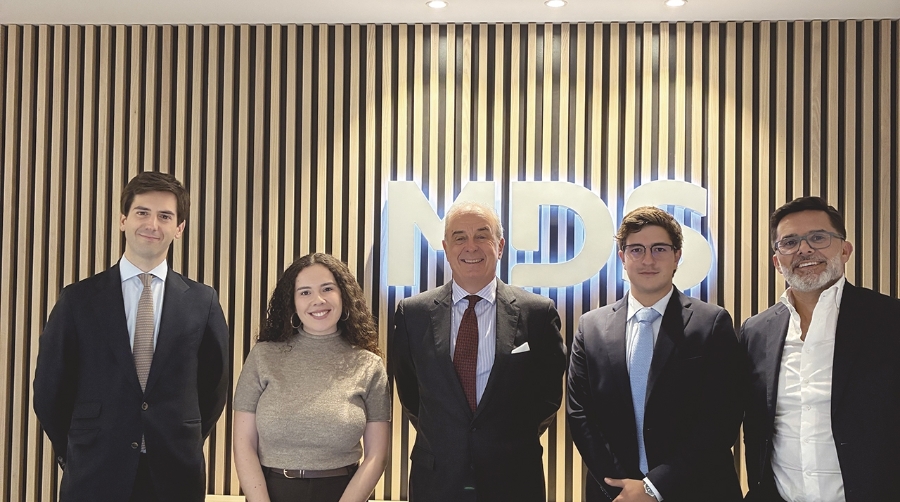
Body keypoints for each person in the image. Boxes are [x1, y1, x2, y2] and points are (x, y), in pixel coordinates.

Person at [32, 171, 230, 501]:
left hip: (175, 475)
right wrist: (78, 448)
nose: (152, 224)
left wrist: (184, 438)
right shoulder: (78, 300)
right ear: (123, 220)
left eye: (165, 216)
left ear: (179, 228)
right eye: (142, 212)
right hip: (94, 473)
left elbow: (214, 388)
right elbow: (50, 390)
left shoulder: (202, 302)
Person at [389, 201, 567, 502]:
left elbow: (548, 395)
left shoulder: (537, 312)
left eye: (482, 236)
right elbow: (410, 392)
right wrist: (449, 436)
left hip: (514, 477)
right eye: (460, 237)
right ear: (446, 248)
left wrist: (505, 439)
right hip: (437, 478)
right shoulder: (413, 314)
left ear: (499, 246)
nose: (470, 246)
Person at [567, 206, 743, 502]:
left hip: (697, 489)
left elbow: (721, 419)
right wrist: (624, 488)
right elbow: (581, 415)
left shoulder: (712, 323)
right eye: (636, 249)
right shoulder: (591, 327)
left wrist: (654, 487)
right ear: (622, 257)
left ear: (677, 256)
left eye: (659, 249)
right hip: (615, 494)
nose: (648, 259)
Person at [740, 196, 900, 502]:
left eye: (818, 237)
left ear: (845, 249)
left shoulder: (890, 321)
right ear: (777, 261)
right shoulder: (756, 332)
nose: (804, 249)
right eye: (789, 242)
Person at [233, 253, 390, 502]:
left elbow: (377, 455)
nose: (318, 300)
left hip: (344, 493)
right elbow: (244, 445)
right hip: (272, 492)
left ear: (344, 295)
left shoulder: (369, 365)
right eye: (304, 292)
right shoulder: (263, 356)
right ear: (292, 302)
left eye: (327, 289)